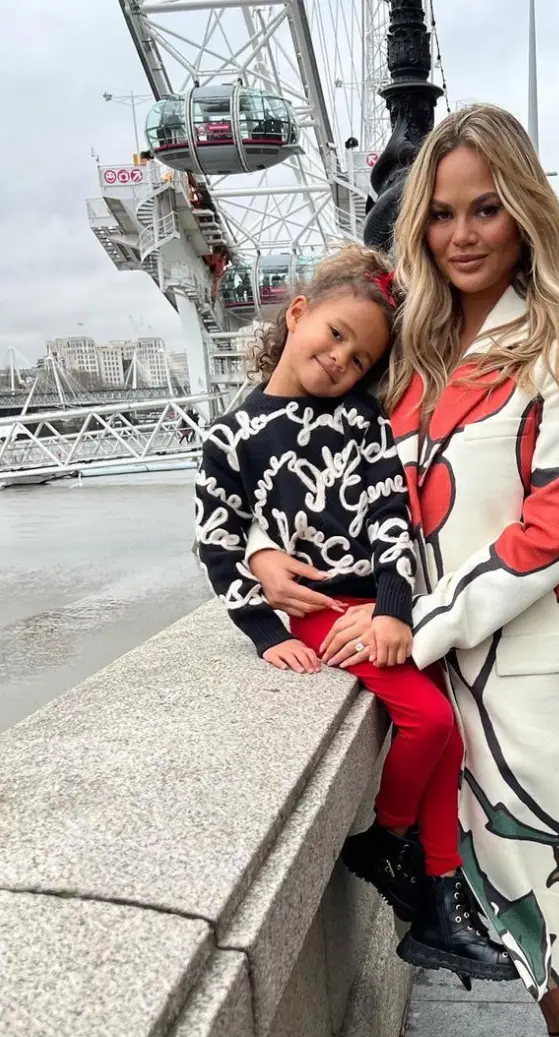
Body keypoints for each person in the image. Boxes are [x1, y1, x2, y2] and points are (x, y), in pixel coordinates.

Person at [246, 104, 559, 1037]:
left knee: (538, 851)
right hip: (419, 645)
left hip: (524, 655)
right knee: (475, 866)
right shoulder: (408, 350)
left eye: (487, 210)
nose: (461, 235)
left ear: (522, 215)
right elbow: (329, 466)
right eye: (442, 215)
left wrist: (413, 629)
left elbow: (552, 524)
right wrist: (263, 555)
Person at [193, 243, 512, 986]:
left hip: (373, 608)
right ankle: (390, 846)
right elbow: (217, 544)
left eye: (361, 356)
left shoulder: (364, 424)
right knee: (432, 724)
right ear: (298, 314)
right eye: (335, 334)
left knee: (446, 733)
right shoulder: (228, 439)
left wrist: (394, 610)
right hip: (315, 614)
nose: (342, 359)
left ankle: (435, 892)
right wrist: (266, 631)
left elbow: (390, 518)